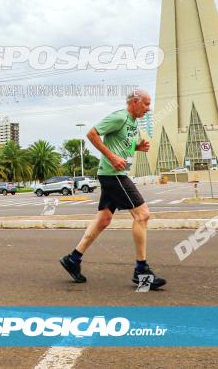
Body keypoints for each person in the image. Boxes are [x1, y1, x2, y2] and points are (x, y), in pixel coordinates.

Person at [59, 89, 166, 289]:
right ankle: (141, 271)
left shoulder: (133, 123)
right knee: (142, 215)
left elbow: (122, 142)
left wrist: (137, 147)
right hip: (113, 175)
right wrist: (112, 157)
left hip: (113, 175)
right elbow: (92, 134)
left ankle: (73, 259)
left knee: (104, 220)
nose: (148, 109)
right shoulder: (119, 117)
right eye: (146, 104)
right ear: (135, 102)